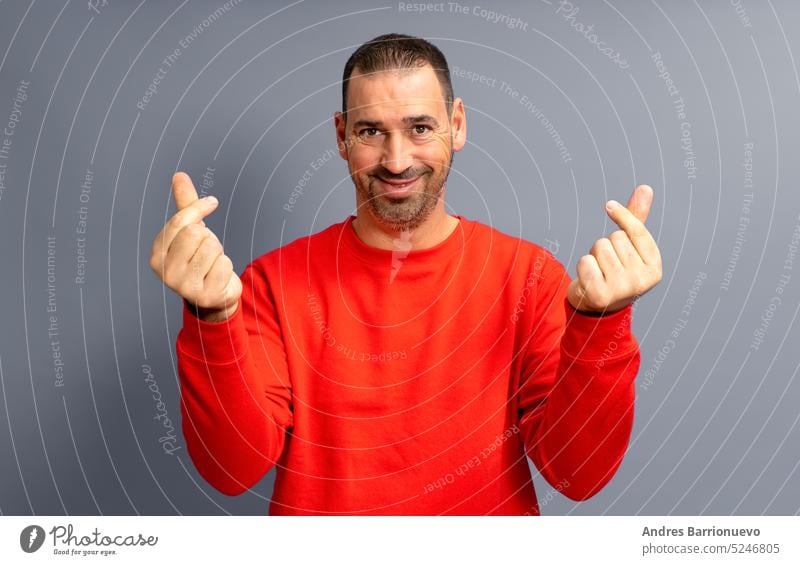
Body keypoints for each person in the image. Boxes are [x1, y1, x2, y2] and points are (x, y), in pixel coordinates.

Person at [149, 33, 662, 515]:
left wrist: (602, 323)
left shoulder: (529, 278)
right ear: (342, 136)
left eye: (420, 128)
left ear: (457, 125)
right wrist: (211, 318)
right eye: (371, 131)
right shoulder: (273, 283)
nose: (396, 161)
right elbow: (231, 470)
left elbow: (579, 475)